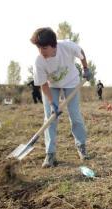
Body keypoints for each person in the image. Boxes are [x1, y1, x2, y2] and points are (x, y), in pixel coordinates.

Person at [30, 27, 92, 168]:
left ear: (54, 45)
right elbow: (43, 84)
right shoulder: (38, 61)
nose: (41, 51)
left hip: (71, 82)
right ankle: (50, 154)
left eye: (44, 48)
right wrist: (52, 103)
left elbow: (80, 52)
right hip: (51, 86)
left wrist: (86, 68)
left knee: (75, 115)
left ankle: (81, 147)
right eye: (39, 48)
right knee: (50, 118)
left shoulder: (67, 46)